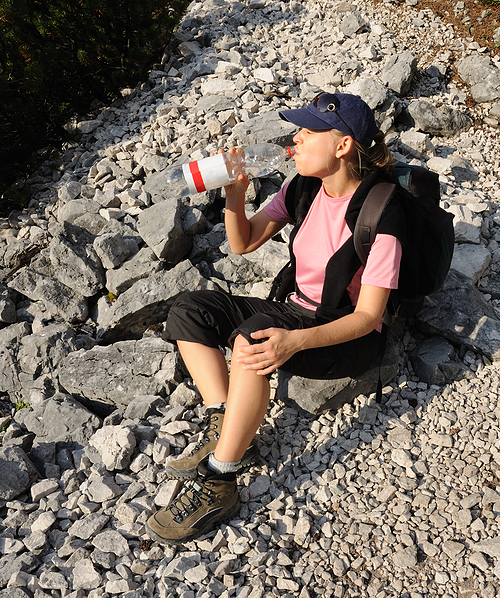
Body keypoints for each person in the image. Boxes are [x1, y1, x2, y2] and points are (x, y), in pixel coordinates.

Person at [145, 93, 406, 544]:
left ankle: (220, 478)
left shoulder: (382, 212)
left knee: (251, 340)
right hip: (296, 309)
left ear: (342, 146)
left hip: (343, 335)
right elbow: (244, 243)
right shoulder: (303, 187)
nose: (295, 138)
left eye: (308, 131)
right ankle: (225, 419)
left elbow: (368, 317)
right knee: (190, 309)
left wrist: (294, 343)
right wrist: (235, 197)